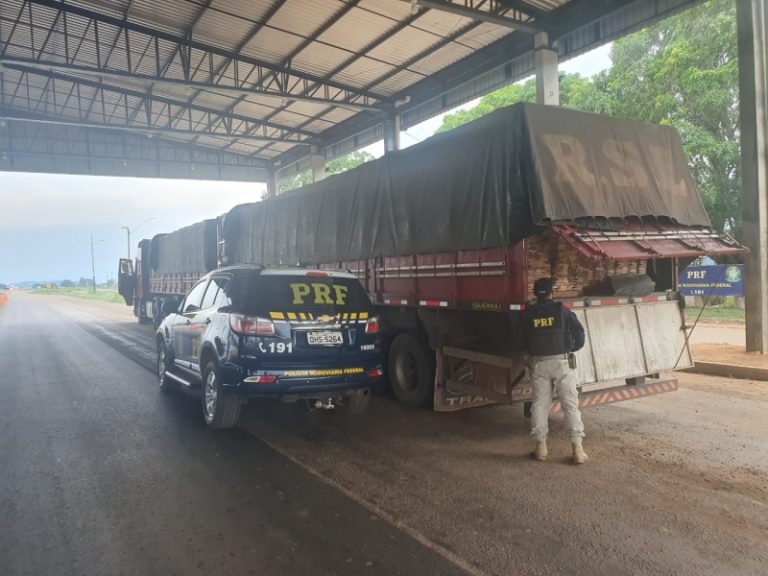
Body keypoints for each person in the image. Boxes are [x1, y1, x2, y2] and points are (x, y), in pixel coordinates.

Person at [523, 277, 588, 464]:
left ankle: (540, 449)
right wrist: (570, 349)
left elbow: (519, 339)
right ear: (552, 292)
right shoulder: (563, 311)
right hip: (562, 363)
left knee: (539, 406)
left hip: (539, 363)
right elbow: (579, 335)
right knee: (570, 405)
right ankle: (577, 450)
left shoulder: (528, 314)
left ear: (535, 294)